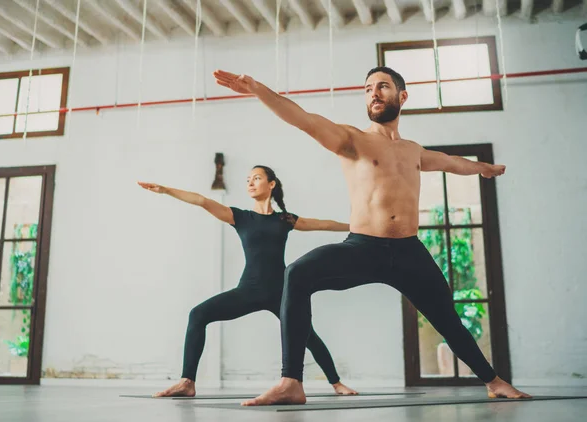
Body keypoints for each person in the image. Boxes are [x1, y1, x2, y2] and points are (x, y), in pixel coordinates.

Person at [213, 67, 532, 406]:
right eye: (367, 89)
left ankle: (494, 381)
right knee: (298, 273)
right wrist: (259, 89)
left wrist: (481, 168)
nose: (374, 93)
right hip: (363, 247)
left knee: (447, 318)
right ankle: (291, 381)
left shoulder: (413, 151)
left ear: (402, 96)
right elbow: (303, 119)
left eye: (382, 86)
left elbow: (450, 162)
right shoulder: (352, 140)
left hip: (409, 251)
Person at [137, 165, 357, 397]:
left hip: (282, 292)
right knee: (198, 314)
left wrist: (358, 228)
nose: (250, 183)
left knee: (307, 336)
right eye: (248, 179)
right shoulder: (240, 217)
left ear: (271, 184)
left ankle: (337, 384)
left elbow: (323, 224)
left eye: (257, 178)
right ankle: (187, 382)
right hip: (249, 290)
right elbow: (202, 200)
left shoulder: (285, 219)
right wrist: (166, 190)